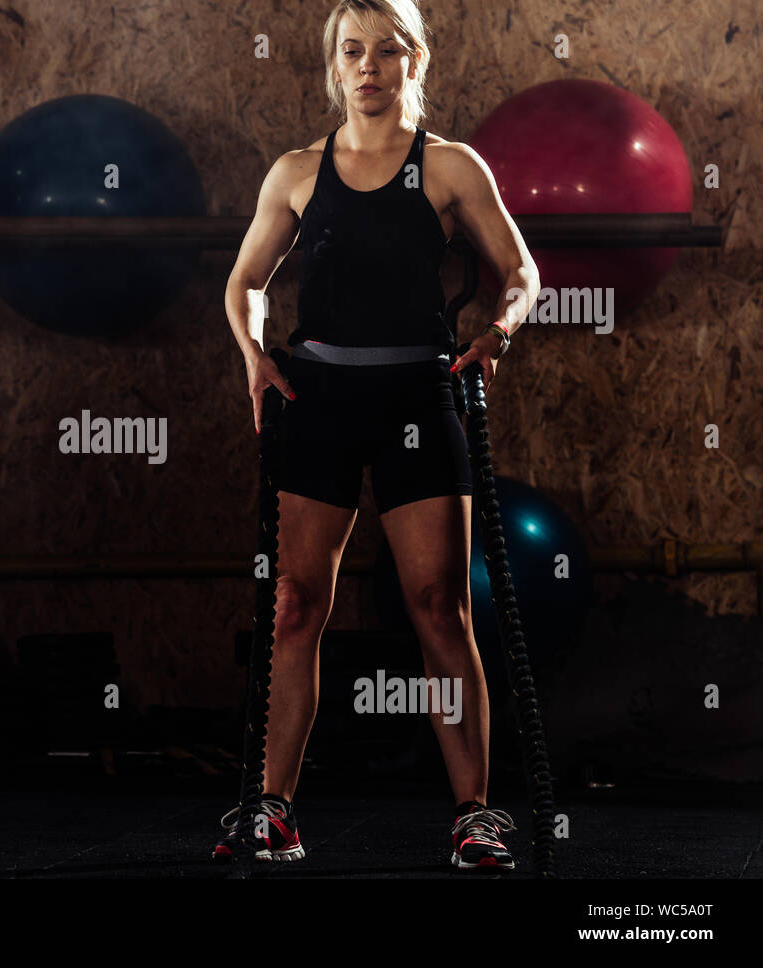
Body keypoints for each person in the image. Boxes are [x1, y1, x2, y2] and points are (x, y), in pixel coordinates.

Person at [215, 0, 540, 871]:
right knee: (294, 605)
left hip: (416, 393)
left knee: (441, 607)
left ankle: (474, 814)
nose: (367, 67)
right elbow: (246, 281)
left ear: (415, 59)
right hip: (317, 393)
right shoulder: (294, 172)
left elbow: (521, 270)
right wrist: (253, 351)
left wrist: (500, 333)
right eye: (351, 52)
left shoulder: (450, 168)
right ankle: (273, 809)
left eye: (385, 51)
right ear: (335, 64)